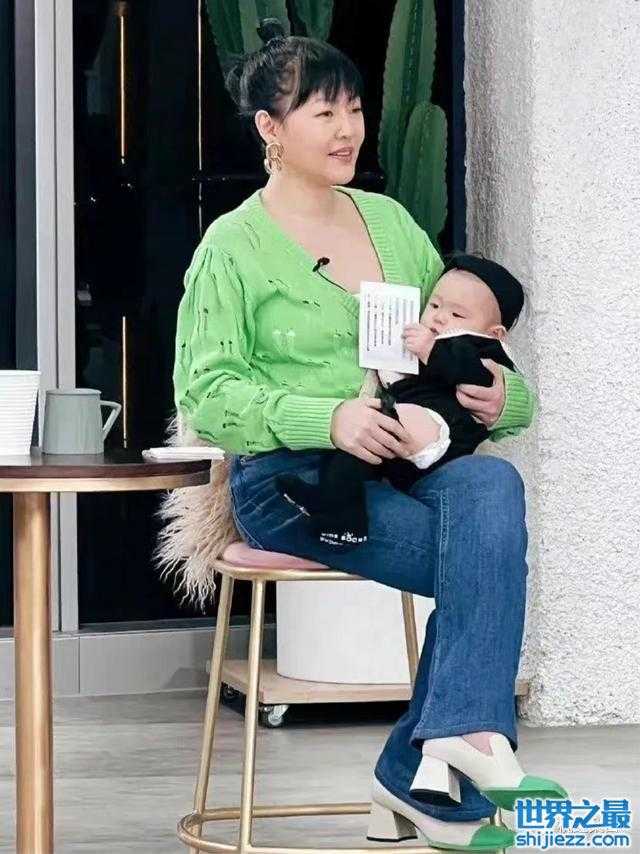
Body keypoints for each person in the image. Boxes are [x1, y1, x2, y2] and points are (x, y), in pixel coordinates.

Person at [172, 18, 567, 851]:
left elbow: (465, 337)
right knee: (483, 557)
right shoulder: (232, 247)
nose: (348, 127)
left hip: (405, 464)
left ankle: (435, 752)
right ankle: (439, 761)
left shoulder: (390, 223)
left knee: (491, 483)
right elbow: (206, 395)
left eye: (353, 107)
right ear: (271, 129)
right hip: (294, 483)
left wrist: (506, 400)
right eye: (323, 112)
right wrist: (330, 417)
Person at [275, 254, 528, 549]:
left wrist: (432, 351)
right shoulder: (429, 337)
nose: (439, 317)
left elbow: (475, 374)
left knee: (373, 426)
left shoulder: (485, 349)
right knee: (358, 447)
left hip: (440, 430)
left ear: (494, 332)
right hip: (407, 440)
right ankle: (338, 514)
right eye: (434, 305)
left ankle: (341, 512)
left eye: (457, 315)